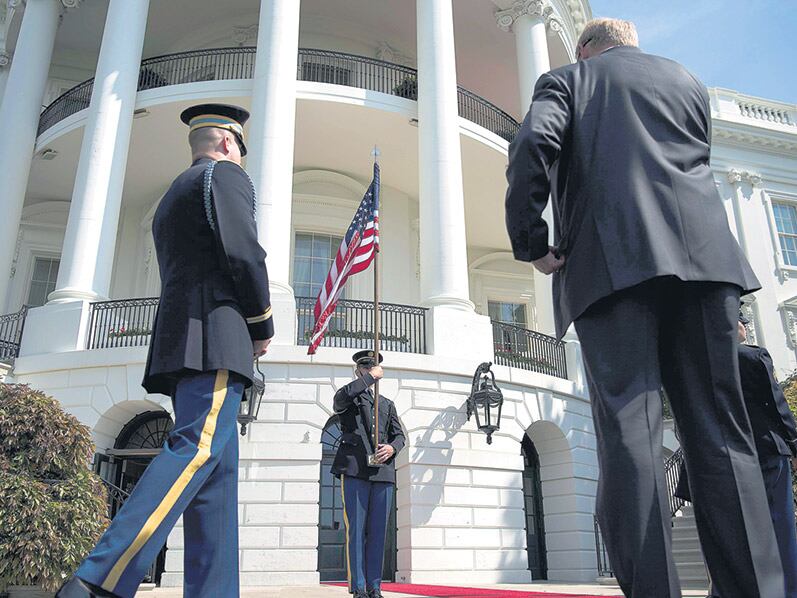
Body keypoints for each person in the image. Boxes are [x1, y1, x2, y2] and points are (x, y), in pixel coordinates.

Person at [504, 16, 783, 598]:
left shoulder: (568, 81)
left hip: (614, 266)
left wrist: (533, 242)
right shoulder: (686, 81)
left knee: (631, 432)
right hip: (708, 269)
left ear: (585, 49)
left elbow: (532, 145)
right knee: (723, 435)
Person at [57, 103, 274, 598]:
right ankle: (98, 579)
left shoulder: (174, 193)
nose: (241, 156)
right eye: (241, 148)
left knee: (216, 482)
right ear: (227, 143)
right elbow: (244, 252)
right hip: (219, 338)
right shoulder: (227, 176)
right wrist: (262, 323)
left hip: (184, 340)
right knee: (196, 450)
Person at [675, 311, 797, 597]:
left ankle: (723, 590)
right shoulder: (752, 358)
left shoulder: (690, 366)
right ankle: (787, 590)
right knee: (778, 526)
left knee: (724, 533)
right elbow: (778, 407)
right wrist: (794, 445)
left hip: (713, 459)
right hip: (764, 452)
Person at [332, 350, 406, 598]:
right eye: (364, 367)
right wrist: (368, 379)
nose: (368, 370)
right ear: (358, 371)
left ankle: (375, 586)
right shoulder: (348, 397)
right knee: (356, 529)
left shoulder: (387, 404)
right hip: (354, 468)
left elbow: (399, 436)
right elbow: (341, 399)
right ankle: (359, 587)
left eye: (372, 367)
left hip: (382, 471)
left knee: (377, 531)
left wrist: (392, 447)